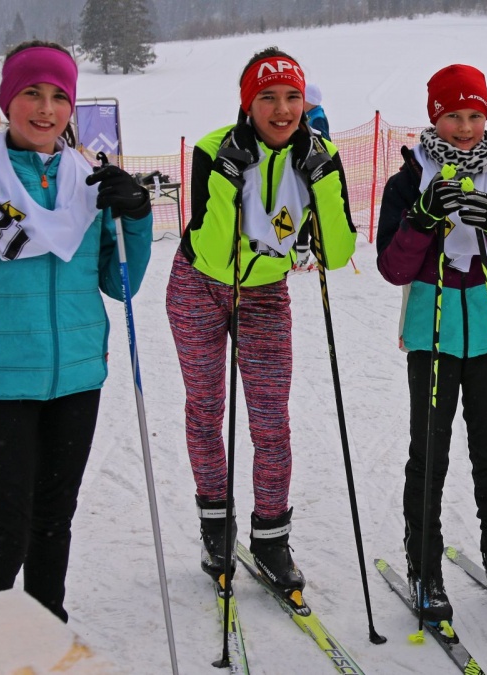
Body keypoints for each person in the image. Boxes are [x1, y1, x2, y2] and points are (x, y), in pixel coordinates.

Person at [0, 41, 153, 620]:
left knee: (54, 521)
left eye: (59, 96)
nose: (46, 109)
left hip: (77, 375)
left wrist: (137, 218)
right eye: (32, 93)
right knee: (7, 527)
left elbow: (119, 283)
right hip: (1, 379)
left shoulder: (89, 183)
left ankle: (47, 626)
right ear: (8, 100)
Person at [167, 46, 357, 597]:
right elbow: (212, 252)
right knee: (207, 409)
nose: (282, 110)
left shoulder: (322, 155)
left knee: (271, 420)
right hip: (200, 285)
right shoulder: (213, 150)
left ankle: (272, 540)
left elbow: (337, 252)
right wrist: (228, 177)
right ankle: (216, 530)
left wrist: (322, 180)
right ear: (247, 102)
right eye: (267, 97)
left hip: (266, 294)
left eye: (292, 97)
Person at [376, 64, 487, 623]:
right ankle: (424, 567)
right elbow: (392, 268)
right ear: (434, 117)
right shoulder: (408, 180)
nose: (465, 127)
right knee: (430, 454)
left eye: (474, 115)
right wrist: (422, 219)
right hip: (433, 331)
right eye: (452, 116)